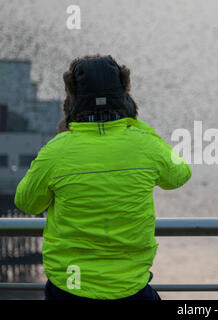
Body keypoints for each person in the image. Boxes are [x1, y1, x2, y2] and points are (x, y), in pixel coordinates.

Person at [14, 54, 191, 300]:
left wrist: (63, 137)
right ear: (125, 95)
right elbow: (179, 173)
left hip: (70, 288)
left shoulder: (56, 151)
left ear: (71, 99)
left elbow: (27, 202)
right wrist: (135, 126)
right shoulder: (146, 144)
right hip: (129, 287)